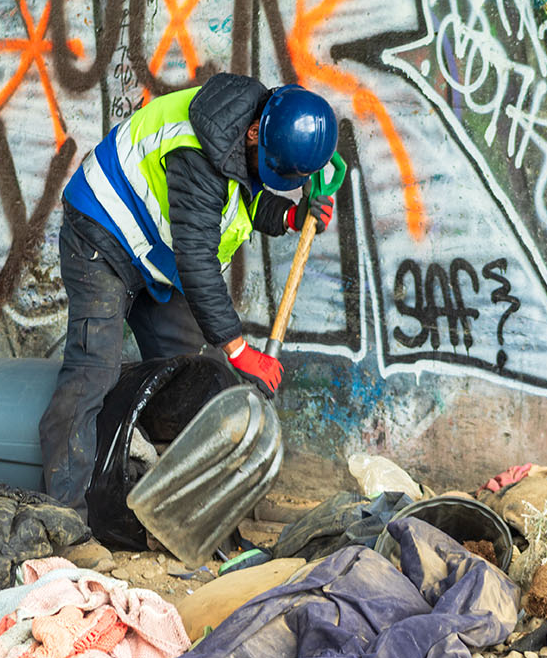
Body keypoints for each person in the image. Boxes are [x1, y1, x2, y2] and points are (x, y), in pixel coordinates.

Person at [37, 72, 338, 513]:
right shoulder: (198, 152)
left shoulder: (246, 133)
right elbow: (197, 261)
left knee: (197, 372)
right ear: (254, 133)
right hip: (102, 234)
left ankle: (198, 506)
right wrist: (239, 349)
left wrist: (290, 217)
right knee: (92, 372)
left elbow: (241, 198)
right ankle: (65, 514)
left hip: (154, 257)